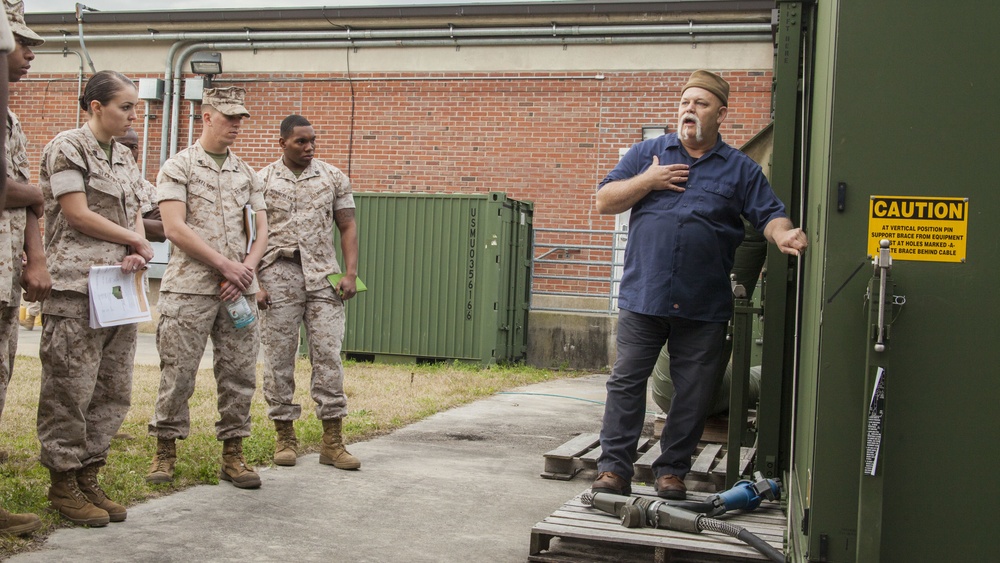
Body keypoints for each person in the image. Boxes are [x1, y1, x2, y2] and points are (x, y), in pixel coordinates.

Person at [591, 70, 807, 500]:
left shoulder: (740, 170)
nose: (689, 109)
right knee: (626, 382)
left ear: (720, 114)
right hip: (644, 295)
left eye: (701, 104)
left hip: (703, 303)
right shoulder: (647, 154)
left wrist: (782, 234)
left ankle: (671, 471)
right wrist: (647, 182)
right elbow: (604, 200)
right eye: (685, 102)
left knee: (693, 391)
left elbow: (769, 214)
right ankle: (614, 469)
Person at [36, 69, 153, 526]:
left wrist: (136, 247)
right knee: (70, 388)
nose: (132, 115)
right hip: (75, 287)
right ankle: (62, 483)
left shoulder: (123, 157)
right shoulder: (68, 147)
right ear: (95, 107)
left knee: (112, 388)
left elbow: (137, 212)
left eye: (135, 108)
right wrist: (134, 239)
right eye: (125, 107)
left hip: (118, 288)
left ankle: (89, 474)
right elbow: (77, 213)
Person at [146, 86, 268, 490]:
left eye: (240, 119)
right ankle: (165, 451)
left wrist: (246, 270)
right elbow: (174, 228)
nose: (236, 125)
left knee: (238, 375)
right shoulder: (178, 166)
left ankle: (233, 454)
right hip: (190, 291)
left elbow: (262, 228)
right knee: (178, 374)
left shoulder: (247, 172)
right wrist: (225, 266)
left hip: (238, 293)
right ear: (206, 117)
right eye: (229, 117)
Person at [256, 114, 360, 470]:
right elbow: (251, 235)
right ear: (282, 142)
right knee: (279, 357)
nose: (309, 147)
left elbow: (347, 225)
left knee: (328, 355)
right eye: (301, 141)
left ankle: (332, 441)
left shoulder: (332, 177)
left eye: (313, 141)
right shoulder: (263, 180)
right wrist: (255, 281)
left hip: (324, 278)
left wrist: (350, 273)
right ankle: (284, 435)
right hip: (278, 273)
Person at [0, 0, 44, 537]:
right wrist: (35, 193)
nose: (29, 51)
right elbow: (14, 190)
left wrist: (35, 259)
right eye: (19, 40)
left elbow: (25, 199)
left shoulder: (11, 116)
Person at [113, 128, 164, 242]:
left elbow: (162, 232)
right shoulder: (101, 179)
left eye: (133, 147)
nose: (129, 151)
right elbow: (91, 221)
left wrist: (121, 220)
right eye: (122, 145)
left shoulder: (144, 186)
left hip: (137, 258)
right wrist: (142, 219)